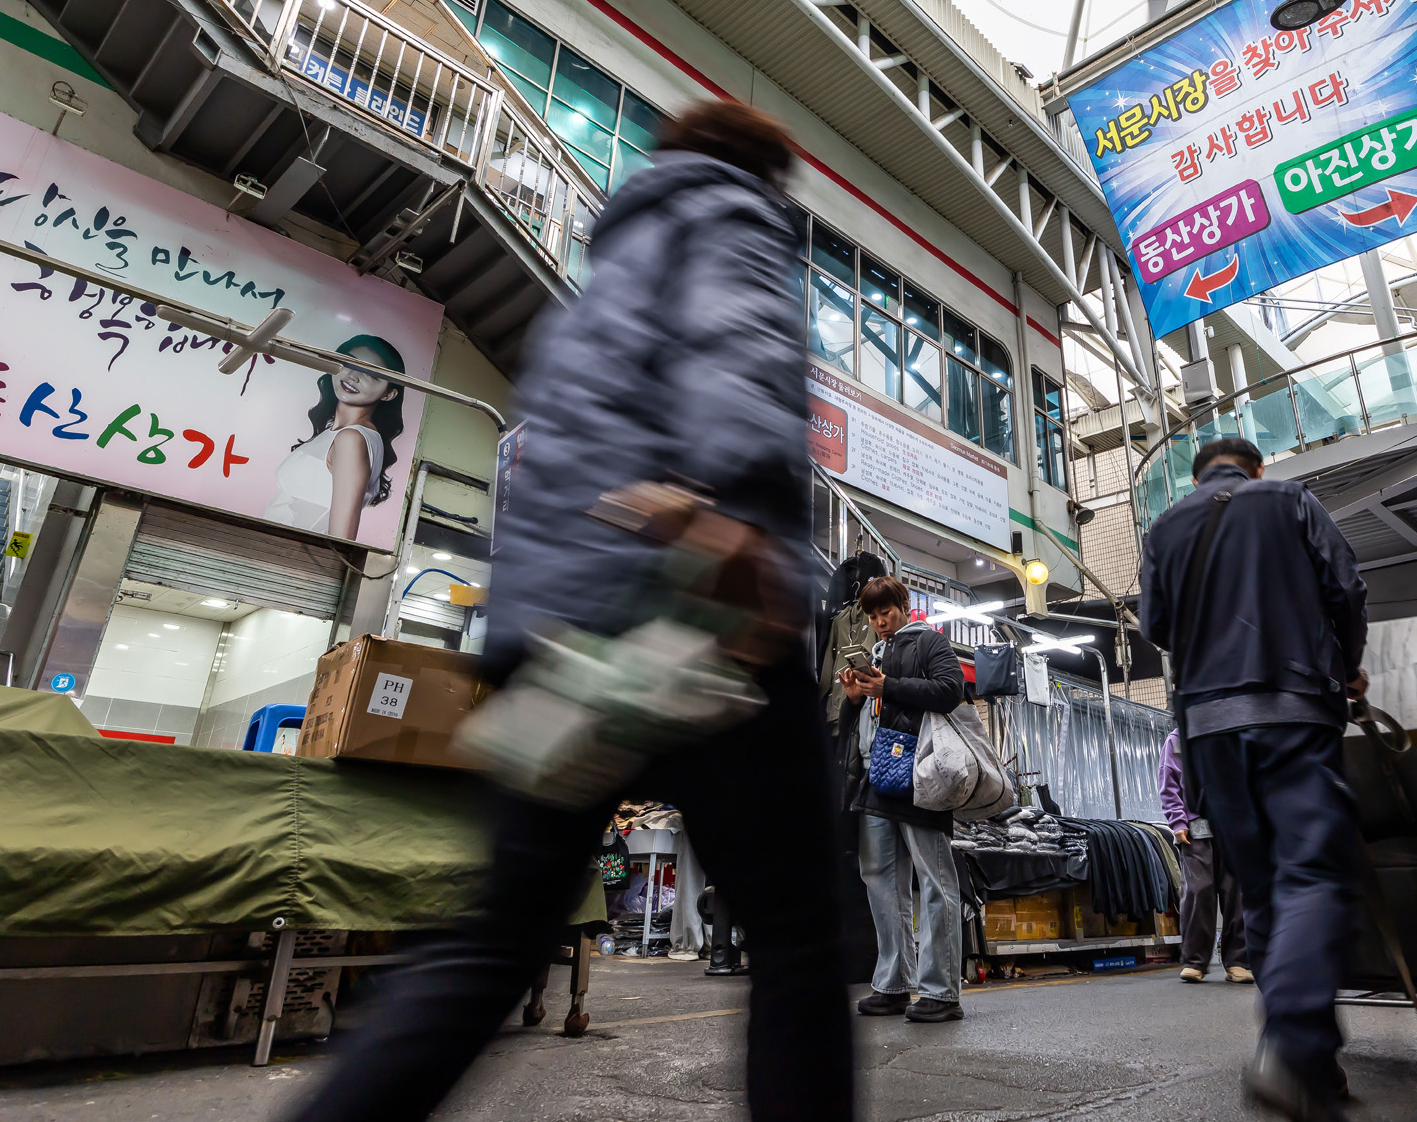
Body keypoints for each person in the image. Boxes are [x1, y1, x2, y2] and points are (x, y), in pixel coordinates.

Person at [283, 100, 853, 1121]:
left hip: (558, 636)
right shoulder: (730, 213)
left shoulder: (597, 288)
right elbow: (739, 349)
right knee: (800, 937)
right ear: (763, 174)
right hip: (698, 614)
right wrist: (739, 510)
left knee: (497, 936)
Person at [1140, 437, 1367, 1122]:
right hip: (1291, 706)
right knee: (1314, 872)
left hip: (1208, 728)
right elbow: (1345, 586)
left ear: (1197, 477)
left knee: (1264, 892)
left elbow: (1157, 626)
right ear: (1256, 468)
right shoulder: (1289, 499)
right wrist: (1346, 665)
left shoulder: (1165, 526)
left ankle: (1312, 1067)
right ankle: (1290, 1047)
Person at [838, 574, 968, 1023]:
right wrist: (855, 699)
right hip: (877, 778)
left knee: (934, 880)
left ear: (904, 606)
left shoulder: (929, 642)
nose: (880, 622)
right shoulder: (874, 653)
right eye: (873, 616)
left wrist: (888, 687)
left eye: (886, 612)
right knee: (880, 880)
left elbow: (951, 691)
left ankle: (941, 991)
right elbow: (863, 721)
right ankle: (893, 984)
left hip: (920, 777)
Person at [266, 334, 405, 539]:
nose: (353, 376)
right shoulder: (336, 433)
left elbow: (341, 538)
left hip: (290, 552)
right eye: (350, 363)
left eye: (371, 374)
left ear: (388, 394)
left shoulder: (352, 439)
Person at [1161, 728, 1250, 985]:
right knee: (1198, 891)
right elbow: (1168, 781)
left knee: (1237, 895)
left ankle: (1238, 962)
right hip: (1196, 829)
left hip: (1234, 827)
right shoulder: (1178, 739)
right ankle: (1194, 961)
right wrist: (1177, 821)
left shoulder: (1235, 734)